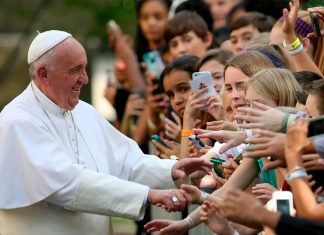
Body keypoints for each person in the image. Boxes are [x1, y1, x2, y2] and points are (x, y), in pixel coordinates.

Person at [0, 30, 213, 235]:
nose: (85, 78)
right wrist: (148, 195)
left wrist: (173, 169)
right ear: (43, 74)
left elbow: (128, 163)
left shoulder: (84, 112)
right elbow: (66, 183)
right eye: (75, 70)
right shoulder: (18, 121)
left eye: (84, 68)